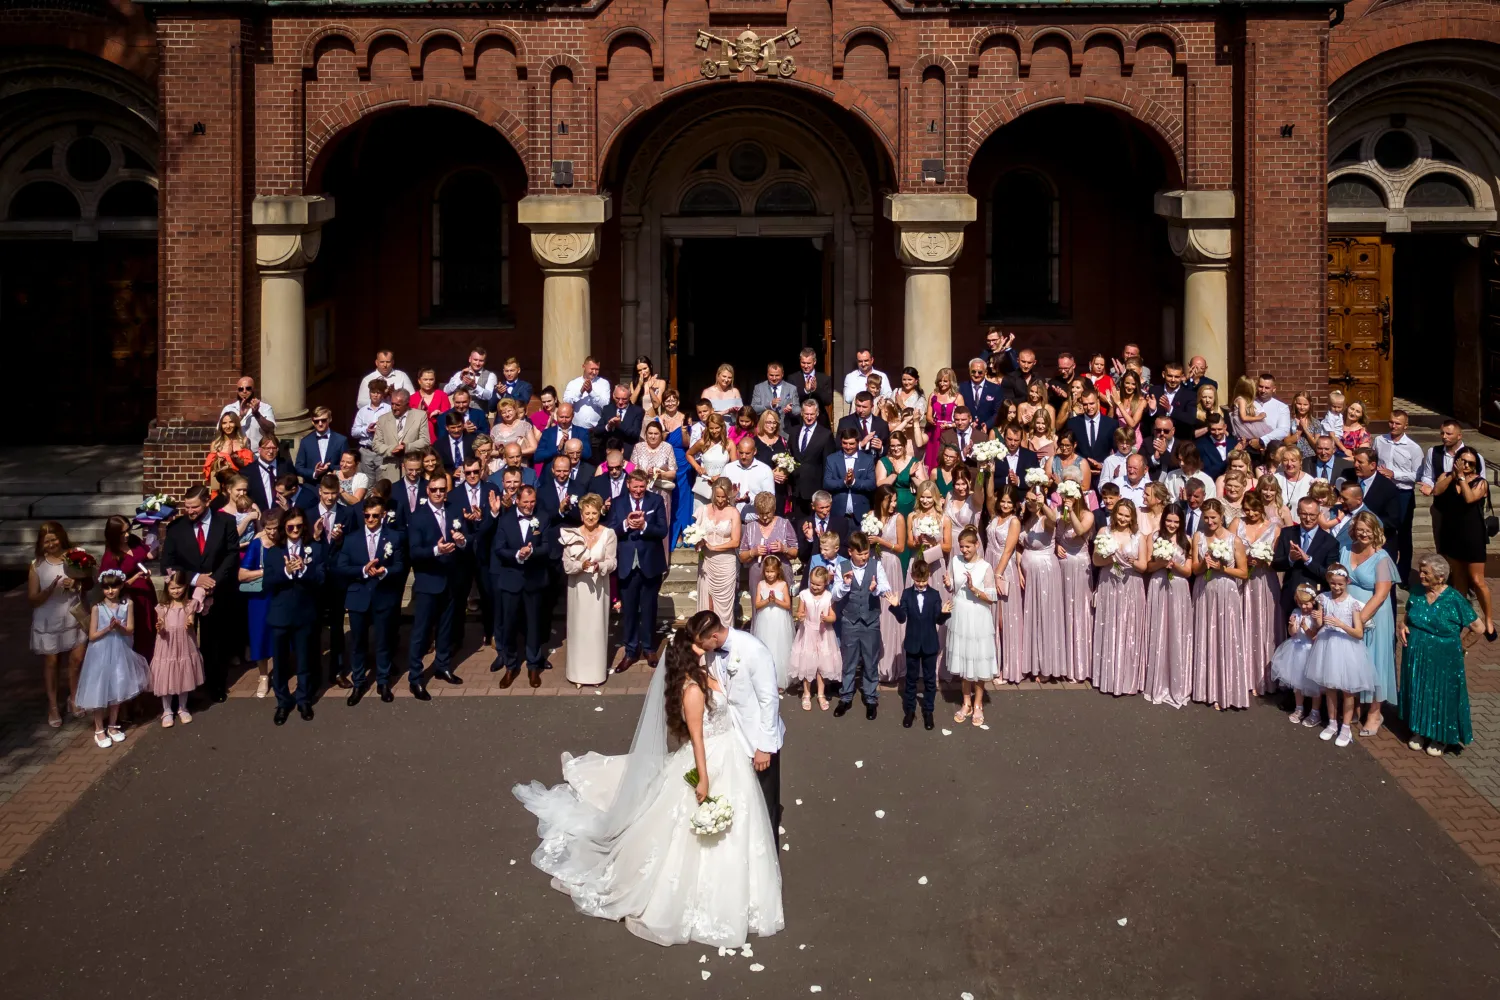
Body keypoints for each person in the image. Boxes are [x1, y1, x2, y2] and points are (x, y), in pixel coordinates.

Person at [514, 613, 785, 949]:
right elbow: (697, 739)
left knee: (746, 820)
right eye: (697, 649)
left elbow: (763, 698)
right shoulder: (693, 689)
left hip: (732, 749)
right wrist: (702, 778)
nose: (703, 652)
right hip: (714, 757)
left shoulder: (719, 664)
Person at [1400, 554, 1486, 756]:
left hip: (1444, 657)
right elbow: (1408, 615)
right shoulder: (1417, 592)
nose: (1420, 575)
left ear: (1440, 577)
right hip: (1416, 653)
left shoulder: (1454, 599)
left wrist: (1461, 648)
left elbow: (1479, 628)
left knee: (1440, 694)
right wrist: (1403, 626)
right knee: (1418, 690)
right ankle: (1419, 730)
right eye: (1420, 571)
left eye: (1425, 572)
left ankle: (1440, 737)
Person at [160, 486, 239, 701]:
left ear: (206, 501)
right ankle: (183, 689)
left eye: (194, 507)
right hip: (185, 595)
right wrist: (195, 579)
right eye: (187, 507)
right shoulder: (176, 528)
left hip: (218, 591)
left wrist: (213, 580)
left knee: (216, 642)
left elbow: (232, 555)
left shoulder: (226, 523)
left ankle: (216, 685)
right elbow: (167, 563)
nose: (190, 511)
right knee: (184, 641)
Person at [337, 495, 405, 705]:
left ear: (383, 515)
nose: (371, 519)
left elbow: (400, 565)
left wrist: (385, 571)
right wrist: (363, 571)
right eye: (367, 515)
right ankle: (358, 682)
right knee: (358, 643)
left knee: (383, 642)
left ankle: (383, 681)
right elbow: (342, 567)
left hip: (383, 596)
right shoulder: (351, 539)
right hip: (359, 597)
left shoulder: (394, 538)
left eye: (375, 515)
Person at [405, 478, 467, 699]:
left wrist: (461, 541)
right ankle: (415, 677)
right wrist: (436, 550)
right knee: (421, 633)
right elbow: (414, 552)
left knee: (445, 628)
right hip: (428, 581)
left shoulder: (452, 511)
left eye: (443, 489)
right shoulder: (418, 516)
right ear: (428, 491)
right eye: (435, 490)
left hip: (450, 579)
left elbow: (465, 537)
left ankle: (442, 665)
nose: (439, 493)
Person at [76, 569, 151, 748]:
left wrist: (120, 627)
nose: (110, 591)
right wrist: (108, 629)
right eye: (107, 587)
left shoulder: (127, 605)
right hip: (99, 652)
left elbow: (131, 629)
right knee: (99, 688)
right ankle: (98, 728)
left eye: (114, 587)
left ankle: (112, 725)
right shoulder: (97, 608)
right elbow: (92, 635)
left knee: (118, 686)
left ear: (121, 586)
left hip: (120, 650)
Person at [263, 507, 324, 725]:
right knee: (280, 662)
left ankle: (303, 699)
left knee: (305, 660)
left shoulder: (313, 549)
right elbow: (267, 583)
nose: (295, 530)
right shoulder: (273, 551)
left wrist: (305, 571)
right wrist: (287, 572)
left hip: (305, 613)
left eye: (299, 526)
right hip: (280, 614)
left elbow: (321, 578)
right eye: (290, 526)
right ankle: (282, 702)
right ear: (284, 528)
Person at [1303, 564, 1372, 748]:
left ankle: (1346, 727)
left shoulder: (1353, 604)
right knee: (1330, 686)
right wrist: (1318, 619)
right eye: (1333, 583)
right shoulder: (1323, 598)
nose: (1337, 587)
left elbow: (1358, 633)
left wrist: (1340, 624)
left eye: (1340, 584)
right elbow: (1320, 624)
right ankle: (1332, 722)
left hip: (1347, 647)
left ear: (1347, 582)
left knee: (1348, 689)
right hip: (1327, 645)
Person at [1190, 499, 1250, 710]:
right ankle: (1205, 688)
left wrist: (1222, 568)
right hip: (1204, 590)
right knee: (1205, 636)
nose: (1209, 521)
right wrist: (1203, 564)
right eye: (1206, 517)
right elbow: (1193, 570)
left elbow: (1243, 572)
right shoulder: (1198, 537)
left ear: (1221, 516)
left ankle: (1226, 689)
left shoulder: (1234, 541)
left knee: (1225, 637)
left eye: (1213, 517)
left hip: (1226, 591)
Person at [1341, 511, 1397, 736]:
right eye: (1360, 530)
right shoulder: (1345, 549)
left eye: (1368, 531)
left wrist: (1361, 620)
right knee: (1353, 661)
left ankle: (1375, 712)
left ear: (1376, 532)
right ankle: (1354, 706)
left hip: (1373, 617)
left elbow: (1382, 594)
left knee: (1374, 661)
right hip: (1348, 614)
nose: (1363, 534)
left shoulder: (1382, 558)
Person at [1431, 444, 1494, 639]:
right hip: (1452, 534)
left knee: (1477, 580)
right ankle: (1462, 619)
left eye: (1470, 463)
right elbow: (1436, 490)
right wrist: (1453, 474)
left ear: (1476, 466)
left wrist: (1461, 478)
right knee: (1458, 582)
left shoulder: (1480, 483)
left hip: (1472, 536)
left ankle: (1489, 619)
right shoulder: (1446, 477)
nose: (1466, 465)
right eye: (1463, 461)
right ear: (1456, 460)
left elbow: (1469, 498)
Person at [492, 486, 552, 688]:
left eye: (532, 501)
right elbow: (499, 548)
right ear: (517, 500)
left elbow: (546, 547)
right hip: (511, 580)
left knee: (534, 625)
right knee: (509, 625)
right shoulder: (506, 519)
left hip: (534, 580)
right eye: (525, 502)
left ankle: (534, 666)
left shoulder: (542, 518)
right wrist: (517, 555)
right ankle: (511, 665)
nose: (529, 506)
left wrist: (531, 552)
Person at [607, 471, 667, 671]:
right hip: (626, 563)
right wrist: (626, 524)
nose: (639, 491)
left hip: (650, 563)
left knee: (649, 608)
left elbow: (662, 530)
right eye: (635, 487)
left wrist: (644, 526)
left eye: (642, 487)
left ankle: (649, 649)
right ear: (628, 485)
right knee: (630, 610)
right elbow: (611, 530)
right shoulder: (617, 503)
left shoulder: (656, 500)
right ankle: (630, 651)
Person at [30, 522, 87, 727]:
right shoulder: (37, 565)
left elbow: (91, 580)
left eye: (54, 539)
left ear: (61, 537)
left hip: (74, 615)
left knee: (77, 659)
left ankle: (74, 697)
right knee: (52, 663)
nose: (51, 544)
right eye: (46, 542)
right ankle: (53, 705)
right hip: (49, 619)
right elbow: (32, 599)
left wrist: (77, 583)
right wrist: (48, 590)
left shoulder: (77, 554)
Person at [830, 531, 892, 720]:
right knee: (849, 660)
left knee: (870, 660)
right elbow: (835, 595)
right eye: (860, 554)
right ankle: (846, 697)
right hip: (850, 620)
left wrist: (876, 590)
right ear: (850, 552)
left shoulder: (876, 565)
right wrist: (846, 585)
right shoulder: (842, 567)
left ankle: (871, 698)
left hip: (870, 621)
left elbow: (886, 588)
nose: (864, 557)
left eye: (866, 553)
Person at [557, 494, 617, 688]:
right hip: (578, 588)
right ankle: (577, 674)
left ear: (600, 512)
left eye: (594, 512)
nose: (591, 517)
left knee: (597, 629)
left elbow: (612, 561)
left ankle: (596, 675)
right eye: (587, 513)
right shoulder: (571, 533)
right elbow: (566, 565)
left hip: (599, 588)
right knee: (579, 629)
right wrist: (581, 565)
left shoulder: (609, 534)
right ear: (581, 514)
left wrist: (601, 566)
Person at [1091, 498, 1149, 696]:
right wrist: (1109, 557)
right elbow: (1096, 560)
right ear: (1115, 513)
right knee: (1110, 626)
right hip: (1109, 583)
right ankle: (1107, 676)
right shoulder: (1103, 533)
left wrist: (1132, 562)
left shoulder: (1138, 537)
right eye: (1120, 514)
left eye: (1127, 515)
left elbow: (1144, 566)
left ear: (1132, 517)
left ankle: (1127, 678)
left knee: (1129, 630)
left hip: (1131, 585)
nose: (1123, 519)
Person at [943, 525, 998, 724]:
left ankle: (978, 704)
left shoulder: (985, 567)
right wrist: (948, 583)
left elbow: (992, 598)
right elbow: (952, 586)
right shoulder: (955, 561)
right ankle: (966, 702)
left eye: (968, 546)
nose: (964, 550)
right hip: (960, 614)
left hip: (978, 616)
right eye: (961, 547)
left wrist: (974, 589)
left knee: (979, 661)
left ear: (976, 545)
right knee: (964, 661)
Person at [1143, 504, 1194, 708]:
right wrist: (1161, 563)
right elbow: (1148, 566)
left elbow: (1189, 571)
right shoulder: (1153, 537)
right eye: (1168, 520)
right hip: (1158, 584)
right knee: (1158, 629)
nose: (1172, 525)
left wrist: (1175, 565)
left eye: (1176, 521)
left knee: (1176, 632)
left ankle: (1177, 681)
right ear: (1163, 520)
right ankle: (1156, 679)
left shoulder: (1187, 540)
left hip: (1179, 587)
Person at [1237, 492, 1283, 694]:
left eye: (1254, 509)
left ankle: (1264, 677)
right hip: (1242, 580)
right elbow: (1230, 551)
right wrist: (1243, 560)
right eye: (1246, 509)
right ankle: (1241, 676)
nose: (1250, 513)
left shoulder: (1275, 529)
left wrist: (1265, 561)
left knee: (1264, 624)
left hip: (1265, 580)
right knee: (1242, 623)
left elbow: (1278, 560)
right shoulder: (1236, 524)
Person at [150, 569, 205, 727]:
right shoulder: (163, 606)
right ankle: (167, 710)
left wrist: (189, 623)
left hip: (184, 643)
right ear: (167, 588)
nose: (176, 591)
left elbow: (191, 621)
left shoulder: (190, 604)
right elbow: (160, 625)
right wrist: (159, 626)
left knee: (183, 673)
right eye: (172, 588)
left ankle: (182, 707)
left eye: (179, 587)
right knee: (166, 674)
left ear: (185, 587)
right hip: (166, 644)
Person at [865, 486, 909, 682]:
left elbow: (900, 546)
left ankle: (892, 663)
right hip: (873, 564)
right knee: (875, 610)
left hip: (891, 565)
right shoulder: (870, 515)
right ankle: (873, 662)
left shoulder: (898, 518)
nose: (894, 504)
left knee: (890, 610)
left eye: (895, 501)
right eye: (890, 500)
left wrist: (881, 541)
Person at [1374, 409, 1423, 582]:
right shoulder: (1379, 440)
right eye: (1391, 422)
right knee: (1382, 530)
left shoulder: (1413, 448)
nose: (1393, 426)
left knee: (1403, 534)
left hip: (1403, 494)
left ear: (1405, 426)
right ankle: (1383, 569)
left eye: (1397, 423)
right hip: (1383, 492)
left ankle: (1403, 574)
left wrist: (1394, 474)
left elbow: (1418, 476)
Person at [1272, 496, 1338, 617]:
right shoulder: (1287, 533)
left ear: (1319, 514)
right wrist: (1290, 559)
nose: (1308, 519)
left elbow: (1330, 575)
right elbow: (1275, 564)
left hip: (1316, 599)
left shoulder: (1330, 542)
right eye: (1304, 514)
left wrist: (1308, 560)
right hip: (1290, 598)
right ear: (1297, 512)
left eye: (1312, 515)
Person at [101, 514, 155, 659]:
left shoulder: (134, 541)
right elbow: (110, 585)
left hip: (147, 595)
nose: (127, 535)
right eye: (122, 533)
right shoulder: (110, 557)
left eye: (128, 530)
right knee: (139, 636)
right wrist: (135, 578)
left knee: (150, 632)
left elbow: (147, 556)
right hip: (131, 600)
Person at [692, 477, 742, 626]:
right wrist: (697, 543)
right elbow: (696, 534)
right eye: (718, 496)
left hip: (725, 564)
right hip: (706, 562)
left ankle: (723, 640)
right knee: (707, 606)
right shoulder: (703, 510)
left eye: (724, 497)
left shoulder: (733, 513)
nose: (720, 500)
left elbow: (735, 541)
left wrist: (714, 547)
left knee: (723, 608)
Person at [790, 563, 840, 710]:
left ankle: (820, 694)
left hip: (824, 634)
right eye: (812, 583)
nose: (814, 587)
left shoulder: (829, 597)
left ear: (826, 583)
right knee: (808, 664)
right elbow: (799, 612)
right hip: (808, 632)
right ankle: (806, 693)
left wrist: (828, 619)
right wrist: (800, 616)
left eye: (818, 584)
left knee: (821, 666)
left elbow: (833, 616)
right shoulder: (804, 594)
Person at [1273, 583, 1322, 725]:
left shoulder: (1315, 616)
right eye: (1301, 604)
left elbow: (1314, 637)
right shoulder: (1296, 611)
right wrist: (1292, 625)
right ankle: (1299, 708)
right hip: (1296, 650)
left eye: (1307, 604)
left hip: (1311, 651)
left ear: (1313, 601)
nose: (1304, 607)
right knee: (1297, 683)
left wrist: (1306, 627)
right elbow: (1292, 634)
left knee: (1315, 685)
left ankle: (1315, 712)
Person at [752, 555, 795, 691]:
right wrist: (767, 601)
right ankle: (764, 680)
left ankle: (779, 680)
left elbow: (788, 605)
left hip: (779, 619)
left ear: (778, 571)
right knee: (766, 646)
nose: (770, 575)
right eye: (767, 572)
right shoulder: (761, 584)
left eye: (772, 571)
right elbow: (757, 604)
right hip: (765, 620)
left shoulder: (782, 585)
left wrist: (776, 600)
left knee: (779, 647)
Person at [371, 390, 432, 483]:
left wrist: (406, 447)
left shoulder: (420, 416)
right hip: (390, 470)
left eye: (398, 405)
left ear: (407, 404)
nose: (394, 407)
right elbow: (376, 444)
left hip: (413, 470)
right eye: (392, 404)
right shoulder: (383, 419)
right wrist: (392, 449)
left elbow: (425, 440)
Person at [823, 426, 877, 518]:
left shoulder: (867, 459)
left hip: (861, 514)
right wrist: (844, 482)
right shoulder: (832, 459)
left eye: (851, 444)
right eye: (845, 443)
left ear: (858, 443)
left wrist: (854, 482)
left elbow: (871, 484)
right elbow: (827, 483)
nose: (848, 447)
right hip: (838, 513)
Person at [220, 376, 276, 450]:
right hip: (236, 454)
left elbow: (270, 429)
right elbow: (220, 430)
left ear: (253, 390)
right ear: (237, 391)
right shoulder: (229, 408)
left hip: (258, 455)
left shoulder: (265, 408)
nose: (244, 391)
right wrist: (240, 417)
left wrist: (257, 414)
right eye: (241, 389)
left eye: (248, 388)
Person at [724, 438, 775, 520]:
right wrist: (730, 496)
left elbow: (769, 500)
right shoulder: (728, 468)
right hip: (731, 520)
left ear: (754, 451)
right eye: (741, 453)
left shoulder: (765, 470)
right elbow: (720, 494)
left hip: (756, 521)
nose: (743, 456)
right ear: (737, 450)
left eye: (747, 453)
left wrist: (749, 500)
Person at [294, 406, 347, 484]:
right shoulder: (305, 441)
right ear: (312, 422)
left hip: (334, 485)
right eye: (316, 421)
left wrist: (330, 469)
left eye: (323, 420)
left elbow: (346, 465)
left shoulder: (341, 440)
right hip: (313, 486)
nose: (320, 424)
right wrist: (315, 473)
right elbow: (299, 468)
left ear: (330, 419)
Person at [351, 379, 392, 477]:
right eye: (373, 392)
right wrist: (366, 430)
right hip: (366, 451)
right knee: (366, 482)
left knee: (383, 481)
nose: (375, 395)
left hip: (382, 451)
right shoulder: (362, 411)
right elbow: (354, 432)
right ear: (369, 393)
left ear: (382, 394)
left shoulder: (389, 409)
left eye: (378, 392)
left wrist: (381, 431)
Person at [204, 410, 254, 485]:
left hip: (239, 482)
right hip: (221, 484)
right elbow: (209, 470)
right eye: (224, 423)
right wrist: (218, 461)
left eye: (231, 422)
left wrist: (235, 458)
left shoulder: (244, 441)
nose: (227, 426)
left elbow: (249, 467)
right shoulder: (216, 444)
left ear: (236, 423)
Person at [411, 367, 453, 442]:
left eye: (431, 379)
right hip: (419, 437)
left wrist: (440, 414)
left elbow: (449, 416)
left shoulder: (442, 395)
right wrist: (419, 412)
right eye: (425, 379)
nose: (428, 382)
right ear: (419, 381)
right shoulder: (412, 398)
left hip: (439, 435)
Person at [959, 357, 1002, 429]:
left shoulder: (995, 389)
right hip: (966, 430)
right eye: (973, 371)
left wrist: (987, 424)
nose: (976, 375)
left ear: (985, 372)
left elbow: (998, 412)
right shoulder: (961, 388)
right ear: (969, 371)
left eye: (980, 372)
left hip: (987, 431)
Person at [792, 347, 834, 417]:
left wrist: (816, 389)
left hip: (819, 420)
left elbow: (828, 401)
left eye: (808, 363)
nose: (805, 366)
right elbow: (792, 400)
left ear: (814, 362)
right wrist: (805, 391)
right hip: (799, 420)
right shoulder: (793, 378)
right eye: (803, 363)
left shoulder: (824, 378)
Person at [1196, 411, 1238, 480]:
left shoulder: (1234, 443)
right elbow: (1208, 471)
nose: (1217, 433)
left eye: (1219, 429)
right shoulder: (1201, 445)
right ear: (1209, 428)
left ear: (1225, 427)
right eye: (1213, 429)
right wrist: (1232, 454)